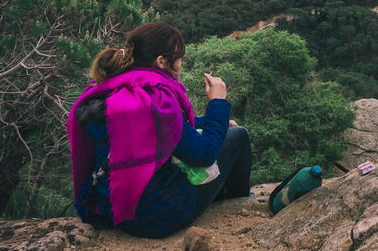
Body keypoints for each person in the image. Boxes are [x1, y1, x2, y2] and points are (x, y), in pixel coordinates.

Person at [68, 22, 253, 238]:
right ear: (161, 61)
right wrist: (217, 102)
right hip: (152, 216)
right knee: (238, 136)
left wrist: (212, 122)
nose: (181, 62)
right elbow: (204, 154)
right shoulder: (155, 98)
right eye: (179, 56)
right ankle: (236, 205)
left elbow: (166, 129)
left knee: (226, 129)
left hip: (107, 209)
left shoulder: (116, 89)